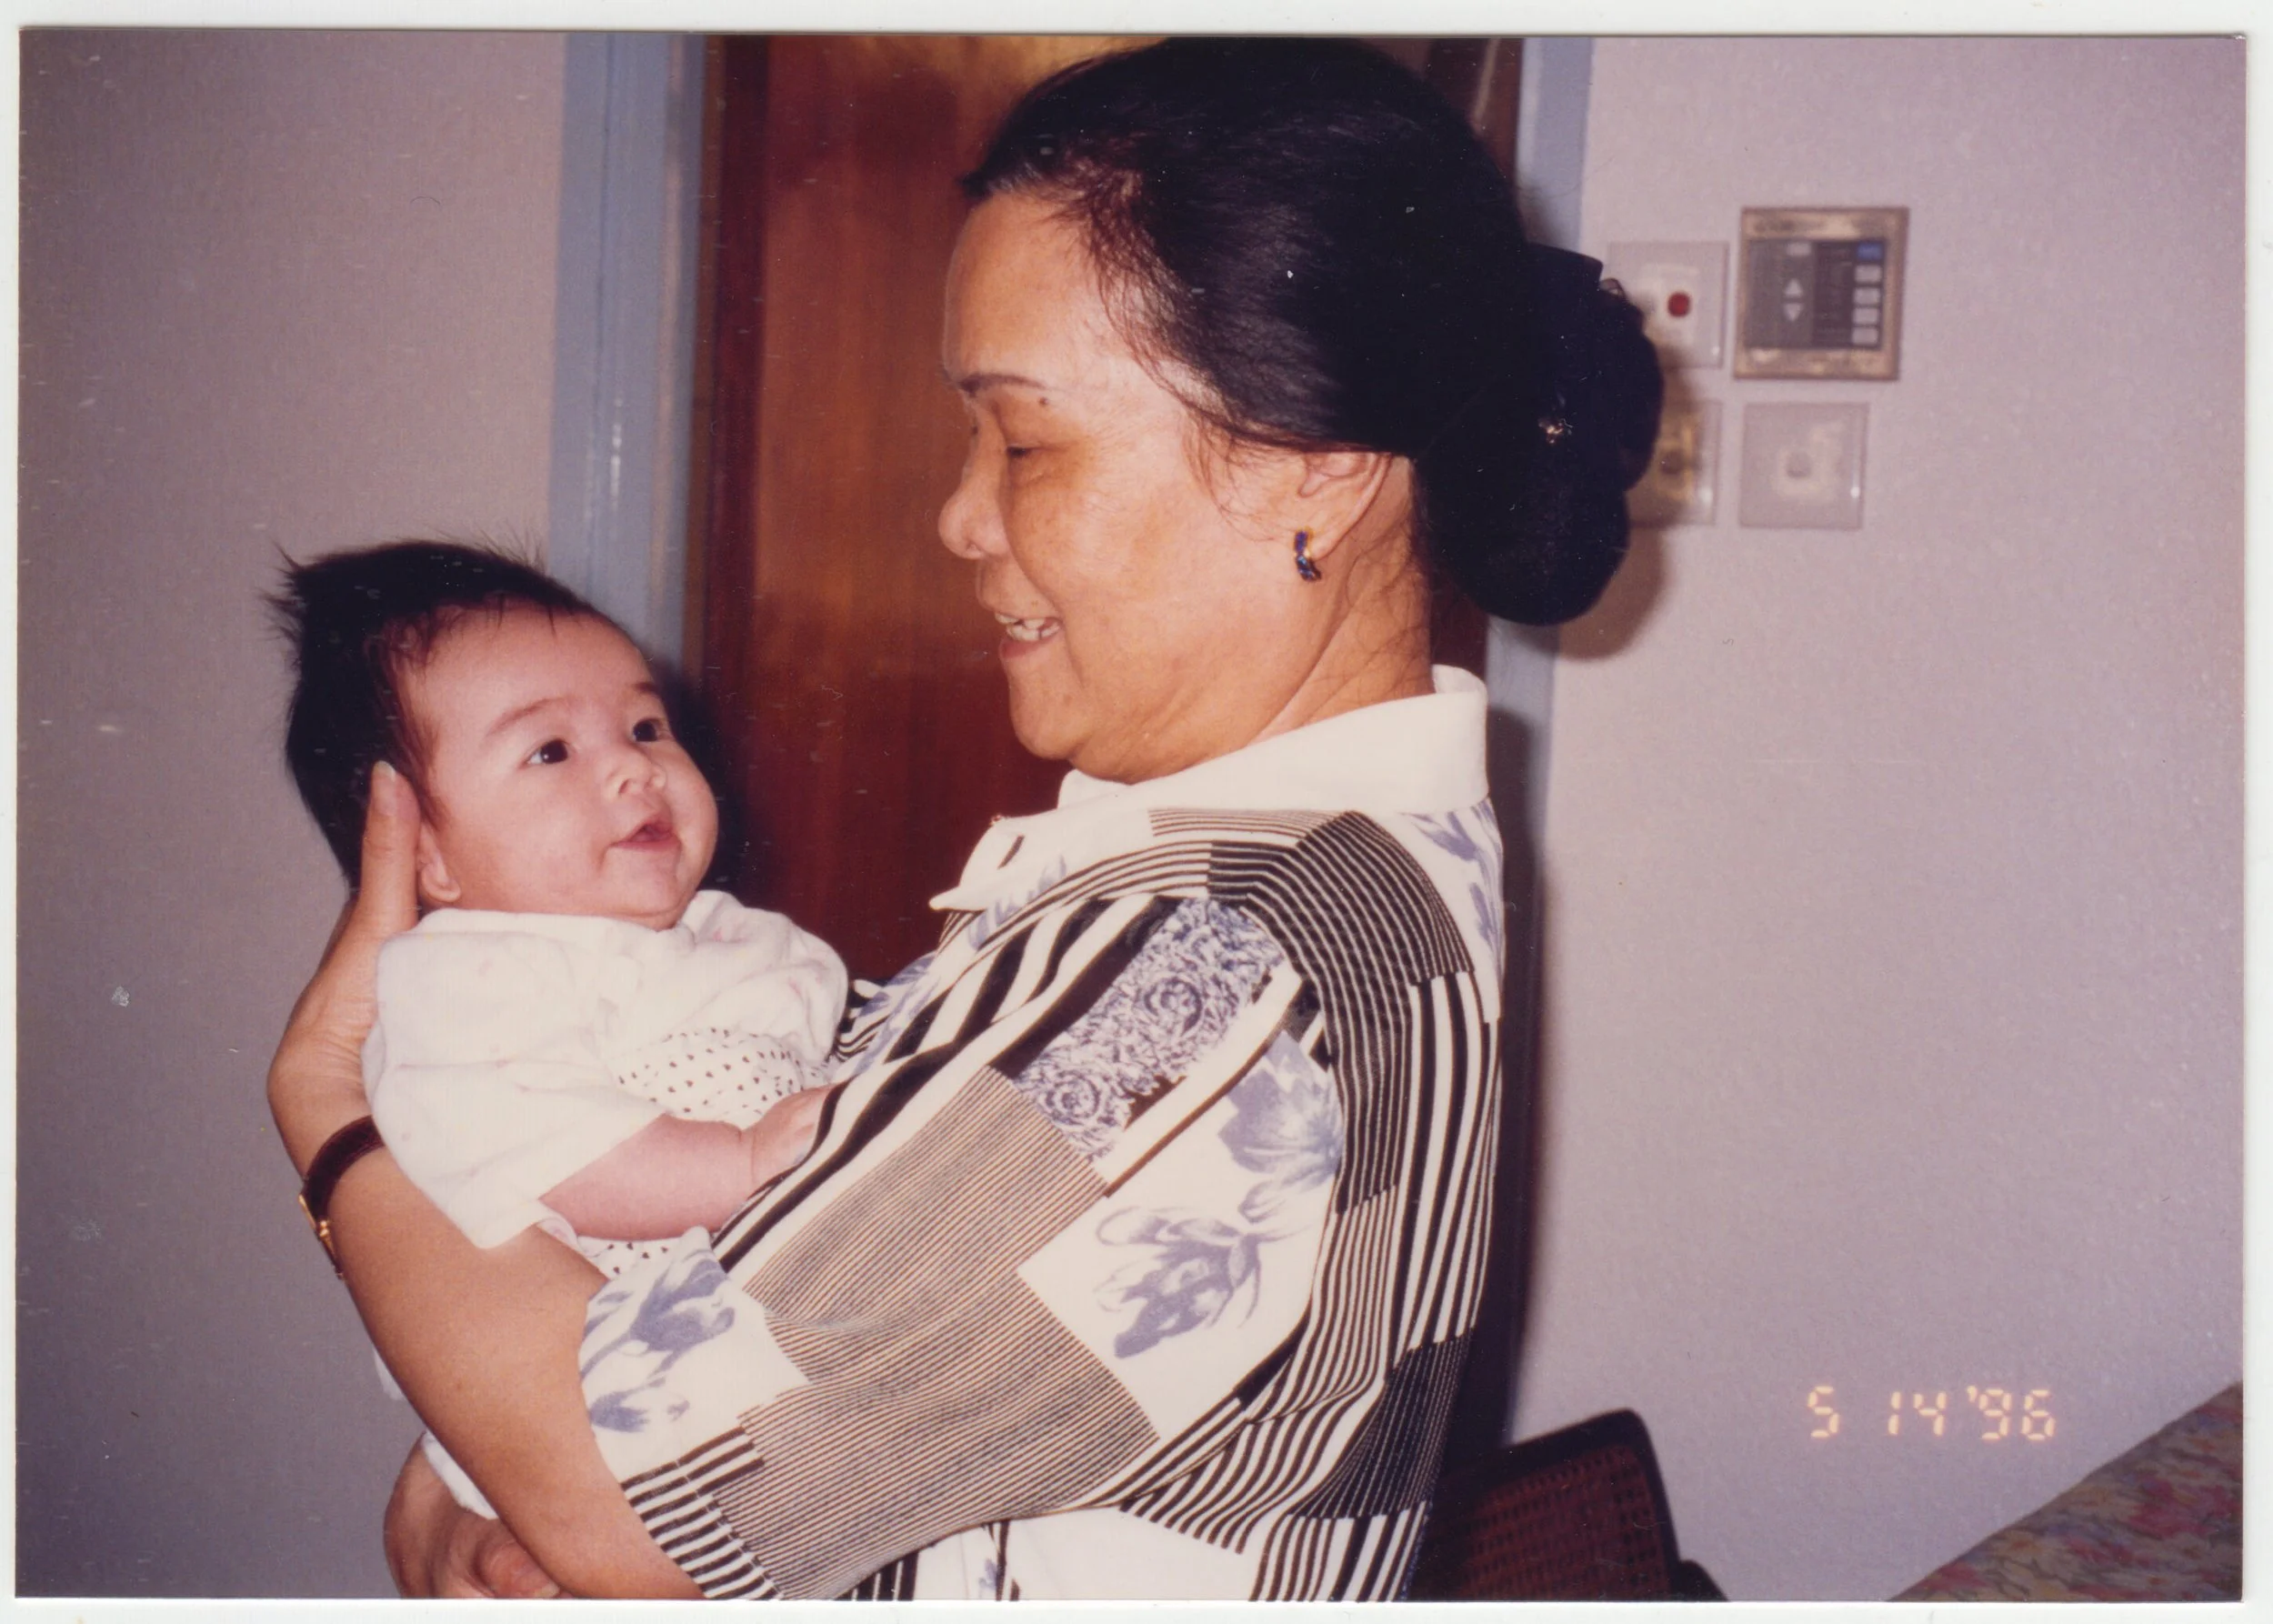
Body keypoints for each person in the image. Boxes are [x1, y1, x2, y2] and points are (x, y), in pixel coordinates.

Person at [268, 37, 1659, 1600]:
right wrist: (460, 1475)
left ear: (1312, 472)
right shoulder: (1315, 870)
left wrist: (332, 1113)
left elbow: (620, 1508)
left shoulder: (1205, 970)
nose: (958, 514)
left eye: (1027, 439)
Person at [274, 542, 845, 1514]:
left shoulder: (733, 935)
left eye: (645, 726)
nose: (633, 766)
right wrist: (742, 1161)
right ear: (427, 857)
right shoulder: (463, 977)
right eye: (551, 751)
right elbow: (553, 1147)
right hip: (589, 1386)